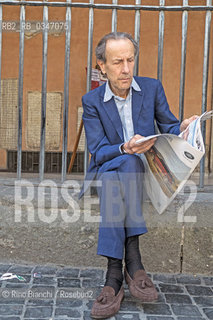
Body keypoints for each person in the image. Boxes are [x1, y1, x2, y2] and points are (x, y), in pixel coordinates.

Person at [79, 32, 197, 319]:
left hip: (139, 172)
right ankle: (134, 261)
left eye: (130, 60)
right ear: (102, 66)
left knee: (129, 167)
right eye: (117, 62)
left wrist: (183, 127)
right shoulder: (92, 100)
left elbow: (168, 127)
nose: (126, 69)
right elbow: (98, 150)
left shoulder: (152, 88)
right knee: (120, 167)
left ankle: (113, 277)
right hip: (108, 166)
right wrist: (124, 147)